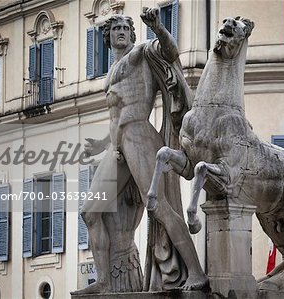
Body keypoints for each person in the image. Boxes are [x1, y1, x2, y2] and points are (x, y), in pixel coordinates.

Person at [73, 8, 208, 294]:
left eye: (126, 28)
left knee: (158, 207)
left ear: (132, 34)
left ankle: (196, 272)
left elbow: (170, 52)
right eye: (115, 29)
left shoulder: (141, 54)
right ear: (106, 37)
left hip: (140, 137)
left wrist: (158, 27)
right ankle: (105, 280)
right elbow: (114, 119)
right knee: (89, 212)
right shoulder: (110, 73)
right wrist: (103, 144)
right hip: (119, 147)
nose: (121, 31)